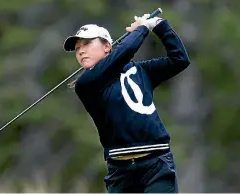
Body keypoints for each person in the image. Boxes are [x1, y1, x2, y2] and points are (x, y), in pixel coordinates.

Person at [63, 13, 190, 193]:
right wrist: (142, 28)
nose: (81, 51)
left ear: (107, 46)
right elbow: (126, 50)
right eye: (77, 49)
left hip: (156, 163)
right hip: (120, 171)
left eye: (87, 44)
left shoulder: (141, 70)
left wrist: (159, 25)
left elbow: (179, 59)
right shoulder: (86, 84)